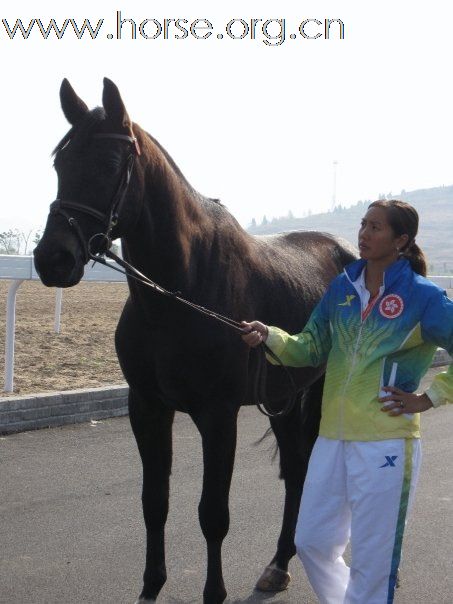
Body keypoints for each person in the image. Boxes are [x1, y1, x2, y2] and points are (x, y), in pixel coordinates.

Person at [241, 199, 453, 604]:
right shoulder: (342, 288)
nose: (364, 234)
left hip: (387, 441)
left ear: (402, 239)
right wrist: (270, 335)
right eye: (363, 224)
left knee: (374, 562)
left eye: (376, 227)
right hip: (333, 438)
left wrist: (430, 397)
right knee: (311, 541)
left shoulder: (423, 297)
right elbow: (310, 346)